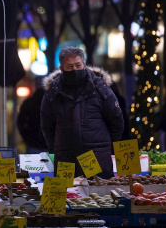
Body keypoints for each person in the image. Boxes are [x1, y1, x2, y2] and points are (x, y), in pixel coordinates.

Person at [40, 47, 124, 179]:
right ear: (62, 69)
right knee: (66, 197)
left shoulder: (100, 89)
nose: (74, 69)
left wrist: (104, 148)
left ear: (84, 65)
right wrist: (57, 148)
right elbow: (47, 126)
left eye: (78, 65)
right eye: (70, 66)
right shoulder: (53, 94)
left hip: (96, 157)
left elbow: (116, 120)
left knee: (99, 196)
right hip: (65, 159)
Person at [17, 76, 48, 154]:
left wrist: (26, 138)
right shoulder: (53, 102)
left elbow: (20, 122)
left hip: (32, 143)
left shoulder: (28, 102)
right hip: (49, 144)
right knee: (50, 166)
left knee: (32, 165)